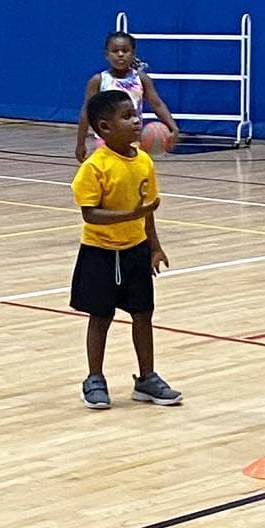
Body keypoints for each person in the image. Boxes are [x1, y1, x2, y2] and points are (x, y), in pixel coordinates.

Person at [69, 89, 179, 410]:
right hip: (99, 253)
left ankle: (146, 378)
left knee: (143, 315)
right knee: (100, 316)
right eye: (127, 117)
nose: (137, 121)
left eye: (135, 114)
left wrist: (155, 248)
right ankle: (94, 378)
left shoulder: (144, 161)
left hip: (136, 250)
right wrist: (130, 215)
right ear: (104, 128)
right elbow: (90, 213)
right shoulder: (95, 166)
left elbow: (148, 210)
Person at [75, 31, 178, 161]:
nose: (120, 54)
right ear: (106, 55)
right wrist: (80, 143)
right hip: (106, 142)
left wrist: (172, 126)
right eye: (115, 51)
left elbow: (157, 104)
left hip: (133, 140)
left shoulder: (141, 79)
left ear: (133, 54)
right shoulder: (98, 80)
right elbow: (86, 113)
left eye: (125, 50)